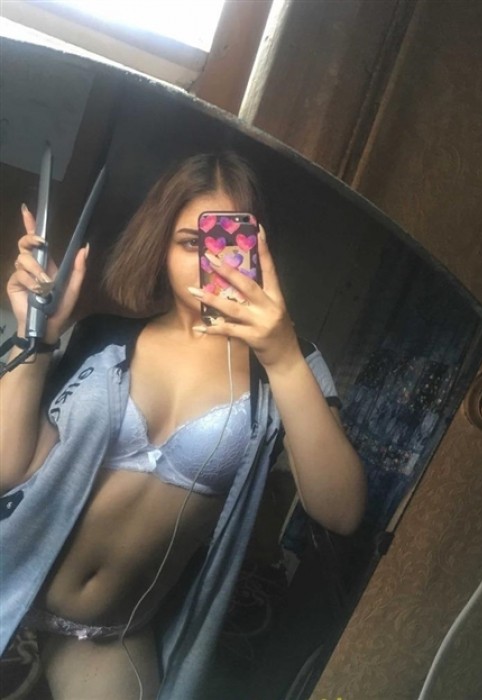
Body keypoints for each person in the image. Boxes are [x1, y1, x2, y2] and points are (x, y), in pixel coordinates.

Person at [0, 152, 366, 700]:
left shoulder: (289, 362)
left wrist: (283, 356)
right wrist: (39, 338)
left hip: (106, 635)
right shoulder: (103, 337)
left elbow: (341, 512)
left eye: (225, 243)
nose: (207, 264)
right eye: (189, 243)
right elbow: (9, 470)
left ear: (257, 248)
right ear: (160, 246)